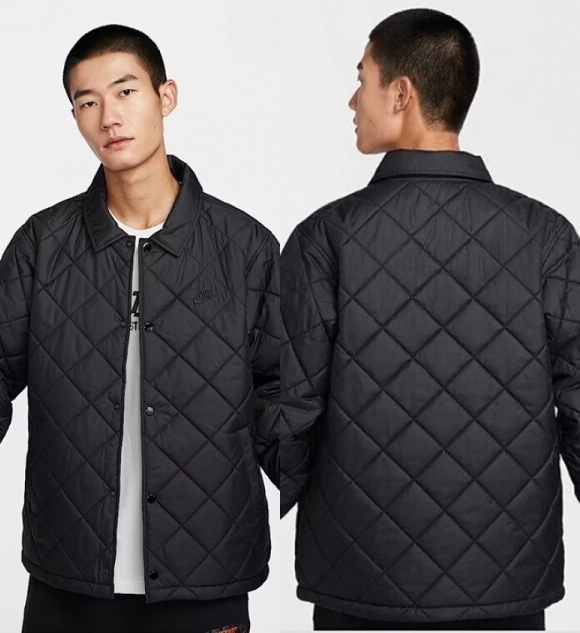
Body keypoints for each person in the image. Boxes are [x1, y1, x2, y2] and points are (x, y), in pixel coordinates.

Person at [280, 8, 578, 631]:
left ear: (401, 93)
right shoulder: (547, 236)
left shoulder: (324, 237)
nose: (352, 100)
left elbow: (291, 411)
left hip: (359, 576)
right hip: (507, 578)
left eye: (361, 79)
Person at [0, 24, 279, 633]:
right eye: (87, 102)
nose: (109, 117)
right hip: (70, 575)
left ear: (166, 97)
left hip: (209, 575)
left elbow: (285, 399)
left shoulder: (244, 247)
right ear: (75, 117)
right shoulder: (44, 245)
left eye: (125, 91)